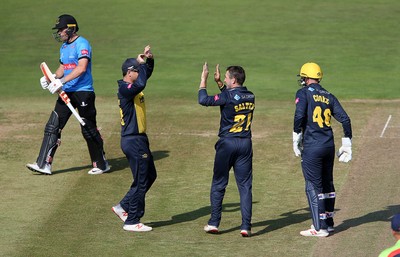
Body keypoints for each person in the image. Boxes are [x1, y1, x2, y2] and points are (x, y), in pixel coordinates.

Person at [26, 14, 109, 175]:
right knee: (53, 125)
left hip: (83, 92)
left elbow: (81, 68)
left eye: (61, 29)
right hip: (66, 92)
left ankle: (101, 163)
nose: (59, 33)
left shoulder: (82, 43)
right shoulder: (64, 47)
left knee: (88, 128)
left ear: (70, 28)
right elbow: (64, 67)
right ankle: (43, 164)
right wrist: (51, 79)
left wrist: (62, 81)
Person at [292, 62, 352, 237]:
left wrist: (296, 135)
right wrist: (347, 142)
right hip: (328, 146)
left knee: (313, 185)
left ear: (305, 77)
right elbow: (345, 119)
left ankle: (319, 227)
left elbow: (299, 115)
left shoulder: (303, 93)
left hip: (312, 146)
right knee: (327, 184)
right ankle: (329, 223)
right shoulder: (328, 95)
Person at [198, 63, 255, 237]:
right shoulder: (251, 95)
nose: (224, 79)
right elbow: (231, 97)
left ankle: (214, 222)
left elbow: (204, 100)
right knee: (245, 186)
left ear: (234, 80)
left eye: (226, 77)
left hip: (227, 144)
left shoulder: (229, 96)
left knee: (219, 183)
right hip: (245, 144)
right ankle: (245, 226)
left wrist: (204, 80)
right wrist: (221, 85)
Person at [111, 45, 156, 232]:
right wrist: (140, 63)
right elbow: (142, 83)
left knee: (150, 175)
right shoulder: (126, 89)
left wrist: (149, 61)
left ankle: (123, 206)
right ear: (129, 73)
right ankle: (132, 221)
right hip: (133, 140)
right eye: (137, 71)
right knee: (142, 180)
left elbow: (146, 77)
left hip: (138, 139)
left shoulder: (132, 86)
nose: (140, 73)